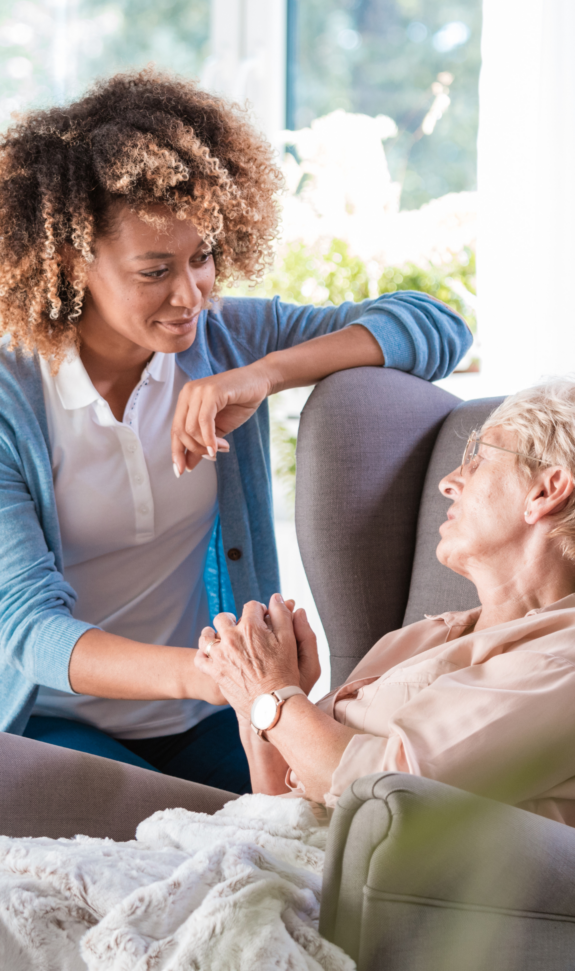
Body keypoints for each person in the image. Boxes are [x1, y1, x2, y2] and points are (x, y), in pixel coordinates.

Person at [0, 70, 471, 793]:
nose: (190, 295)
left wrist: (265, 374)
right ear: (71, 262)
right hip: (52, 720)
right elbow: (29, 633)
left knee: (348, 814)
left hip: (209, 715)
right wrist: (224, 676)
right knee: (185, 839)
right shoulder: (12, 400)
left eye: (203, 257)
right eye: (155, 270)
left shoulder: (225, 341)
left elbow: (434, 326)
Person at [198, 379, 575, 825]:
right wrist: (256, 701)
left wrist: (272, 696)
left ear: (546, 491)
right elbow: (278, 808)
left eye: (477, 460)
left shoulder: (561, 660)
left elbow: (390, 798)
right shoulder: (419, 637)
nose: (450, 482)